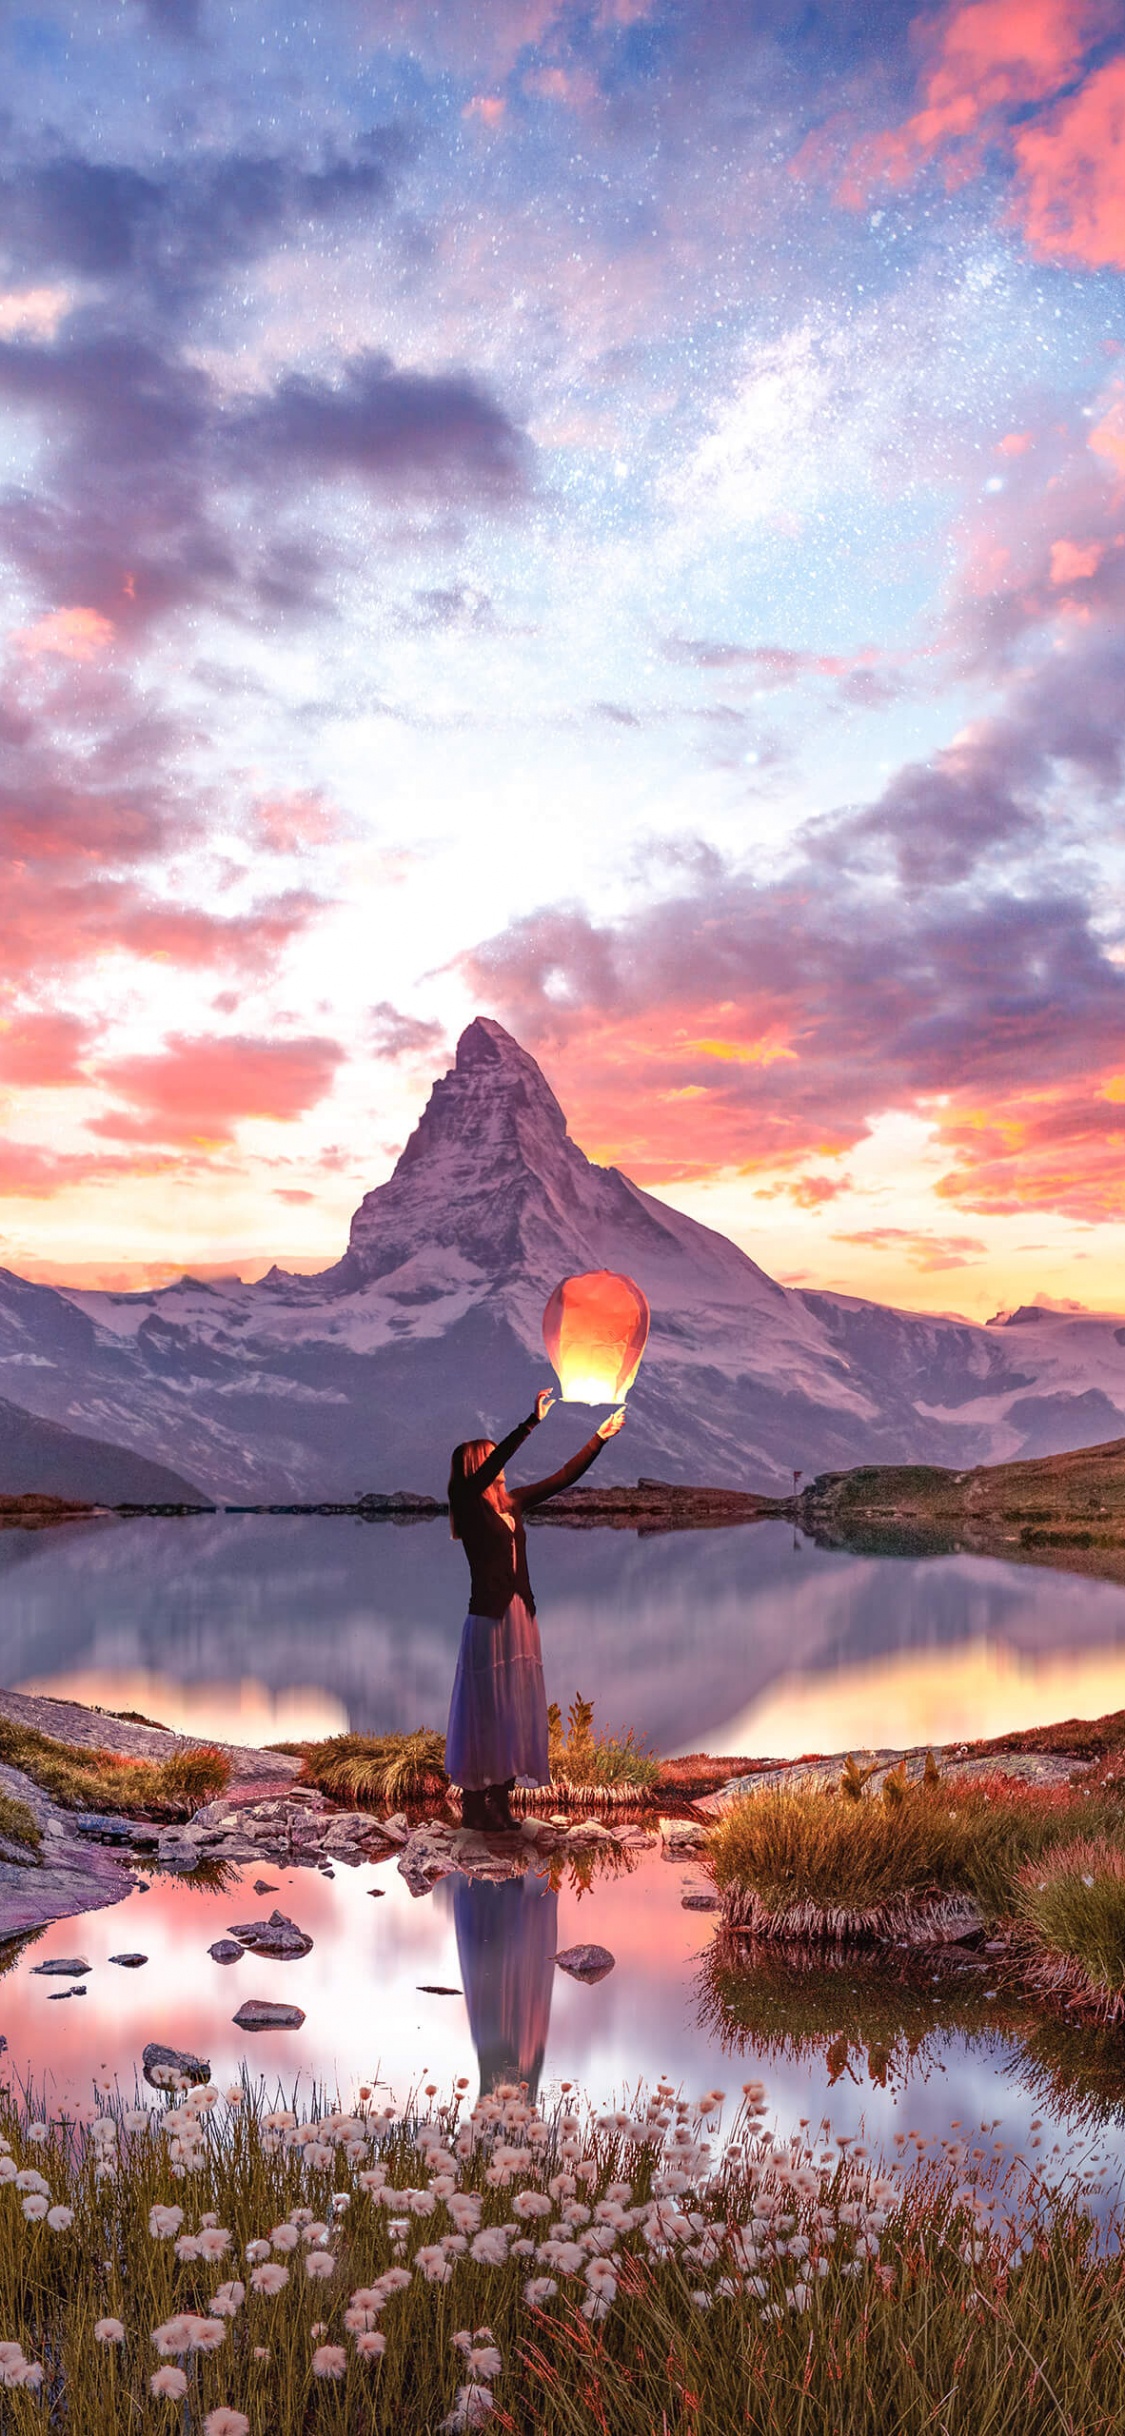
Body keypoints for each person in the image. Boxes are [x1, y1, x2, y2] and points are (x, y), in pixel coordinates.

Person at [445, 1390, 626, 1831]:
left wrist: (599, 1437)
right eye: (491, 1459)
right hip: (488, 1619)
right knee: (487, 1707)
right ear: (476, 1466)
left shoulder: (513, 1503)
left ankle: (501, 1799)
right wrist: (532, 1421)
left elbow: (563, 1476)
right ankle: (474, 1802)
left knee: (514, 1706)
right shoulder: (467, 1504)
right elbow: (489, 1465)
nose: (500, 1465)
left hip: (520, 1618)